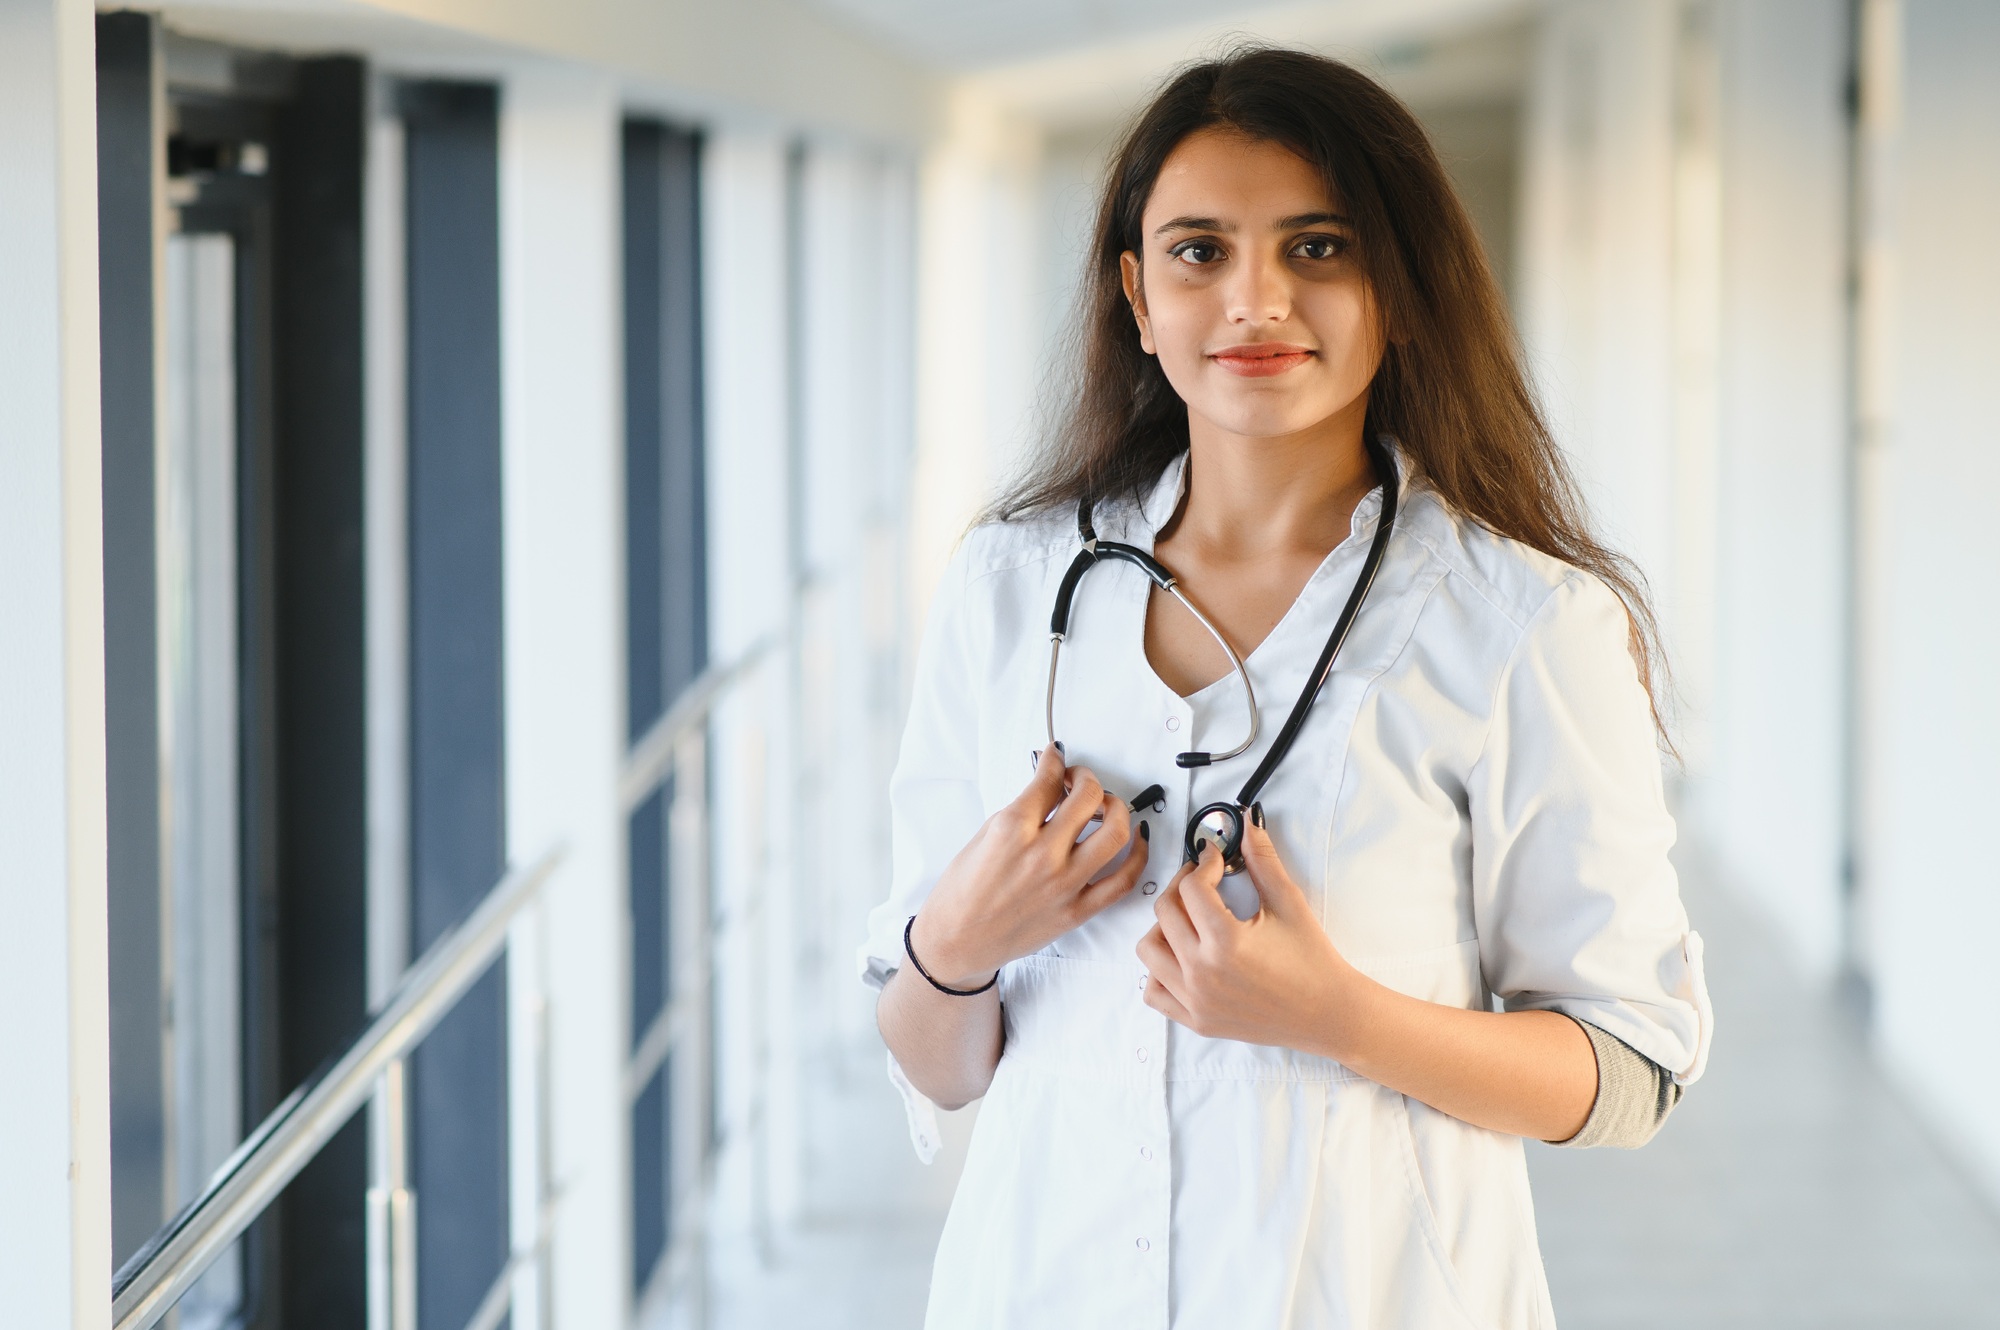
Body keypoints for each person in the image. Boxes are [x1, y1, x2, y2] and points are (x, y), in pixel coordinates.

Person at [859, 46, 1711, 1330]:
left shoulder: (1525, 625)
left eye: (1316, 248)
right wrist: (957, 944)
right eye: (1200, 252)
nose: (1254, 298)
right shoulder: (1007, 588)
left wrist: (1342, 1018)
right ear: (1137, 299)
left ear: (1402, 291)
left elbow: (1629, 1064)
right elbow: (938, 1059)